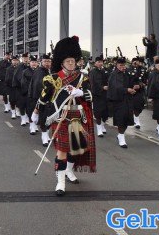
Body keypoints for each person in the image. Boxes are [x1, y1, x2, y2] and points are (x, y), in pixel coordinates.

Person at [39, 36, 95, 196]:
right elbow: (44, 98)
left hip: (77, 116)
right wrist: (37, 114)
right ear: (61, 62)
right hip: (61, 117)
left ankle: (69, 171)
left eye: (73, 61)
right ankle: (60, 181)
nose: (71, 63)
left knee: (75, 149)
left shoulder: (82, 78)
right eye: (68, 61)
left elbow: (91, 95)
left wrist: (80, 92)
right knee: (62, 151)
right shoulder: (52, 79)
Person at [107, 57, 134, 148]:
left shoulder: (126, 73)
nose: (123, 67)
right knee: (121, 120)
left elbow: (131, 81)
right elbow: (116, 87)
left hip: (127, 99)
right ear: (117, 65)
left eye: (124, 65)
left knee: (127, 119)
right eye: (121, 65)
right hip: (118, 100)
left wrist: (135, 86)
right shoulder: (114, 75)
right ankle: (121, 137)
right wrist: (127, 90)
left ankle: (120, 135)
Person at [31, 53, 52, 146]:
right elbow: (39, 86)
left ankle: (46, 134)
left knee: (50, 117)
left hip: (50, 98)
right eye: (45, 61)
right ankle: (44, 136)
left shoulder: (49, 71)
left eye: (49, 61)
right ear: (41, 62)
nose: (47, 63)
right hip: (42, 98)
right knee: (43, 118)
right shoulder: (40, 71)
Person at [88, 56, 109, 137]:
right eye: (99, 62)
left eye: (101, 62)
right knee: (98, 112)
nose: (100, 63)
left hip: (105, 94)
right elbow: (92, 84)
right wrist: (102, 87)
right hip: (97, 95)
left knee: (106, 112)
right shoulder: (92, 72)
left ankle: (103, 125)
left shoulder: (104, 71)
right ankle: (99, 128)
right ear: (95, 63)